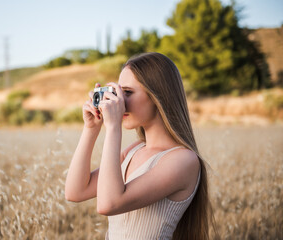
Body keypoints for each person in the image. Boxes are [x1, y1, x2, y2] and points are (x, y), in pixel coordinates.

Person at [65, 52, 213, 240]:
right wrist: (91, 129)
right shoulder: (133, 151)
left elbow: (108, 204)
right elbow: (75, 191)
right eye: (117, 92)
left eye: (127, 93)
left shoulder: (183, 160)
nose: (119, 101)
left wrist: (113, 128)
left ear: (157, 96)